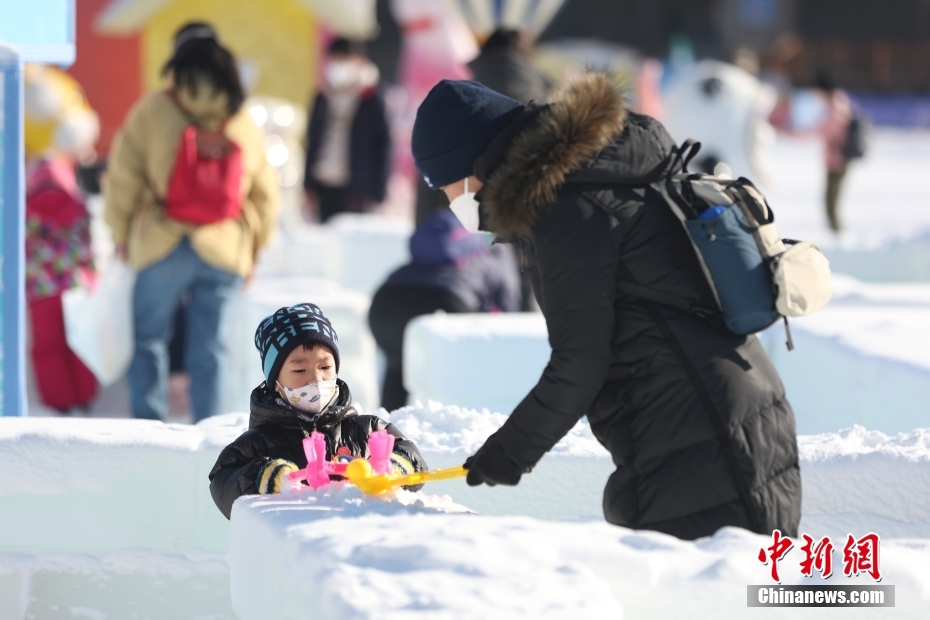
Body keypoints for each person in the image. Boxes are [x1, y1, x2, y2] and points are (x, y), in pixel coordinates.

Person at [411, 75, 801, 540]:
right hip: (728, 415)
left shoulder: (567, 206)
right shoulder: (593, 177)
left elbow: (580, 363)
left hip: (700, 439)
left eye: (448, 188)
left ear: (473, 166)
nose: (452, 203)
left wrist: (506, 453)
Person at [104, 35, 279, 422]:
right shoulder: (242, 120)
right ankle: (209, 432)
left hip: (162, 240)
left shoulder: (154, 108)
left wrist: (120, 233)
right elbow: (265, 195)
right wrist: (253, 249)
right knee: (210, 348)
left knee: (149, 339)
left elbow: (123, 178)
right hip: (225, 247)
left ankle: (149, 427)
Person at [208, 303, 427, 519]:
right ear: (275, 382)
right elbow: (222, 483)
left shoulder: (366, 429)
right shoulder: (260, 442)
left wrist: (393, 468)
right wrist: (264, 475)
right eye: (299, 369)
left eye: (325, 367)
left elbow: (412, 456)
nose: (315, 379)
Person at [369, 207, 522, 410]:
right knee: (454, 380)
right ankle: (447, 430)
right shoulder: (496, 247)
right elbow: (509, 303)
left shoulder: (441, 242)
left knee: (397, 362)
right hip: (447, 303)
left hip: (387, 302)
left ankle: (385, 430)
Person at [23, 64, 101, 413]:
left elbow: (32, 221)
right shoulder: (65, 174)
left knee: (48, 343)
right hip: (73, 273)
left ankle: (59, 401)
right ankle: (81, 396)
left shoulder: (34, 173)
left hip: (41, 276)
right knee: (74, 340)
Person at [303, 38, 391, 222]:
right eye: (335, 60)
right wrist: (307, 185)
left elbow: (382, 146)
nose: (339, 66)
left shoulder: (371, 98)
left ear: (357, 61)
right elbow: (311, 139)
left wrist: (379, 192)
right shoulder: (323, 96)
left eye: (344, 60)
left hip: (355, 186)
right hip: (324, 179)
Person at [815, 70, 853, 233]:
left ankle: (837, 232)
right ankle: (835, 230)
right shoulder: (837, 101)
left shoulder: (835, 103)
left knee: (831, 198)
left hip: (838, 158)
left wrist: (815, 128)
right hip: (836, 157)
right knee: (831, 197)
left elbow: (833, 128)